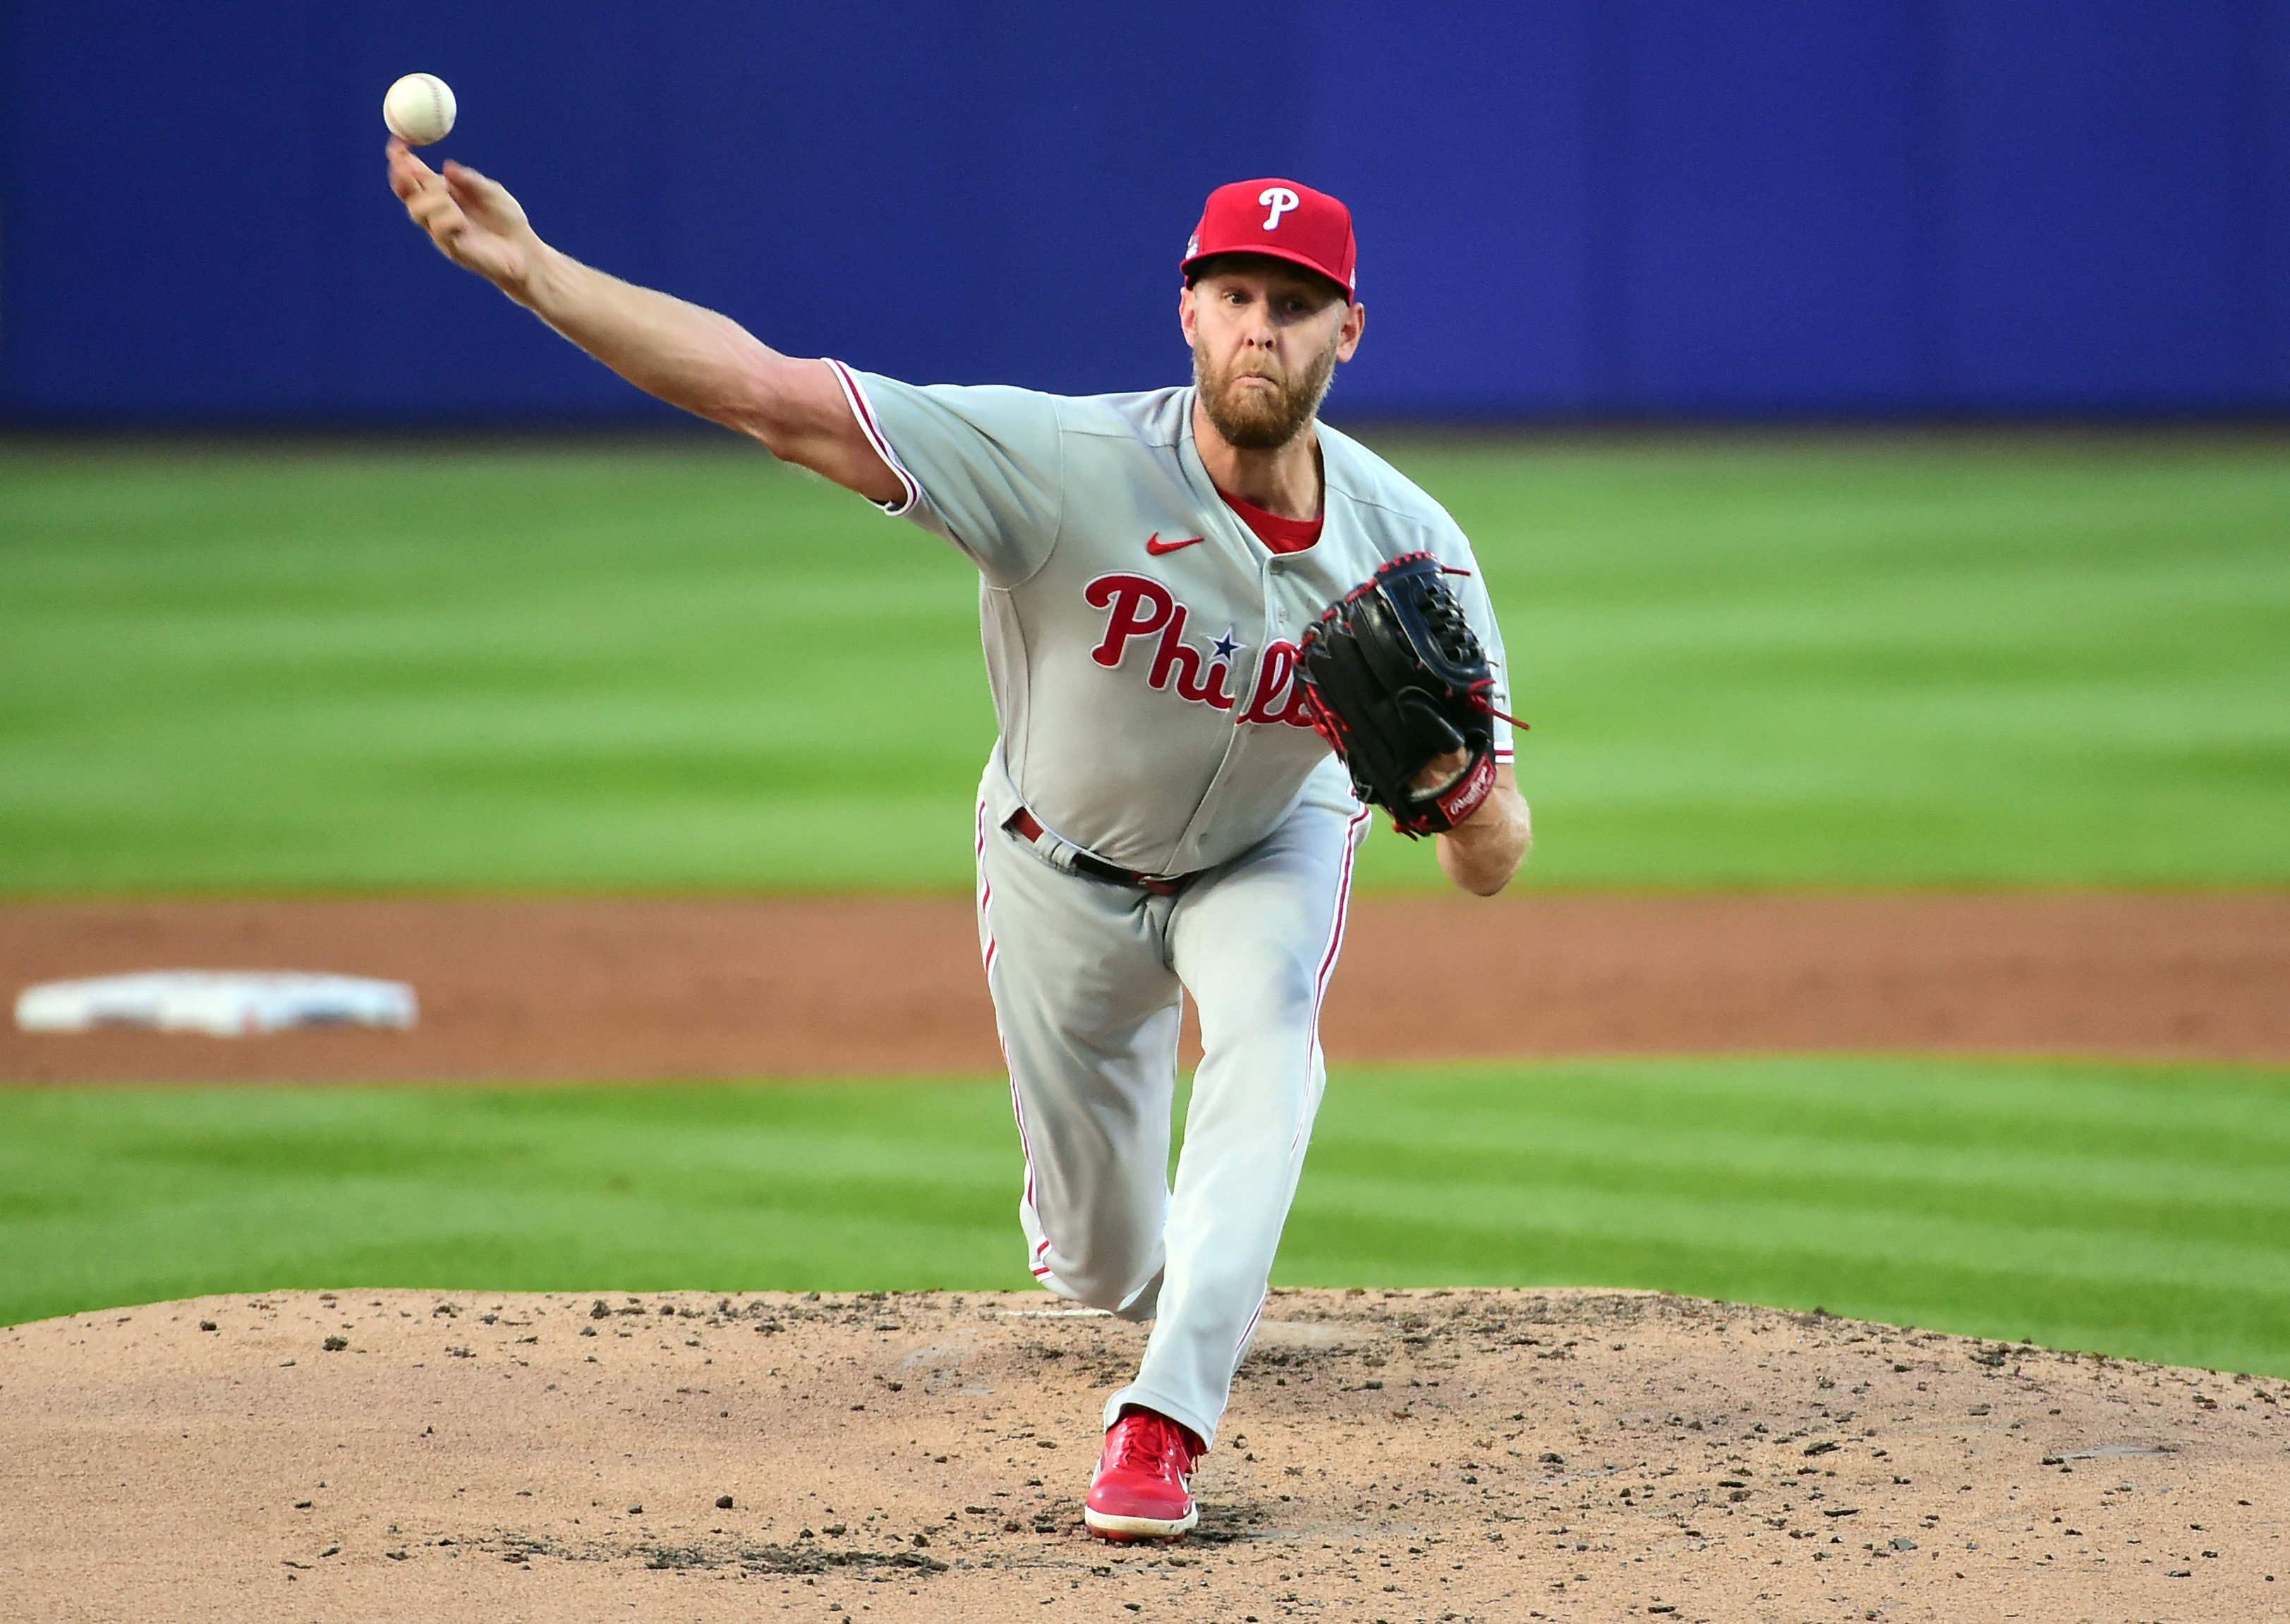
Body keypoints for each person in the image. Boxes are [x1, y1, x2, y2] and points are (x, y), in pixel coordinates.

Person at [388, 146, 1531, 1541]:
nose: (1260, 327)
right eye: (1236, 293)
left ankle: (1166, 1416)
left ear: (1347, 330)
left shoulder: (1409, 545)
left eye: (1294, 304)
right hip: (1059, 868)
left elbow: (1494, 855)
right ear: (1187, 309)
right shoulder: (1063, 464)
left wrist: (1456, 785)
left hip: (1267, 847)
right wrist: (536, 273)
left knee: (1272, 1035)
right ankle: (1176, 1297)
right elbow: (769, 394)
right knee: (1108, 1259)